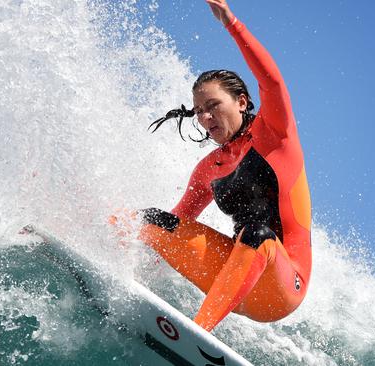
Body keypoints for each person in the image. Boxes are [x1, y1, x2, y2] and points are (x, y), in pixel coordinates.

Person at [134, 0, 312, 332]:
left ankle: (196, 333)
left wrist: (232, 23)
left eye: (213, 106)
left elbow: (272, 83)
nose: (204, 117)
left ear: (242, 102)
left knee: (258, 233)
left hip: (282, 286)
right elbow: (178, 223)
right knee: (151, 220)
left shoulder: (276, 137)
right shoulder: (208, 168)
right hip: (230, 275)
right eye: (199, 110)